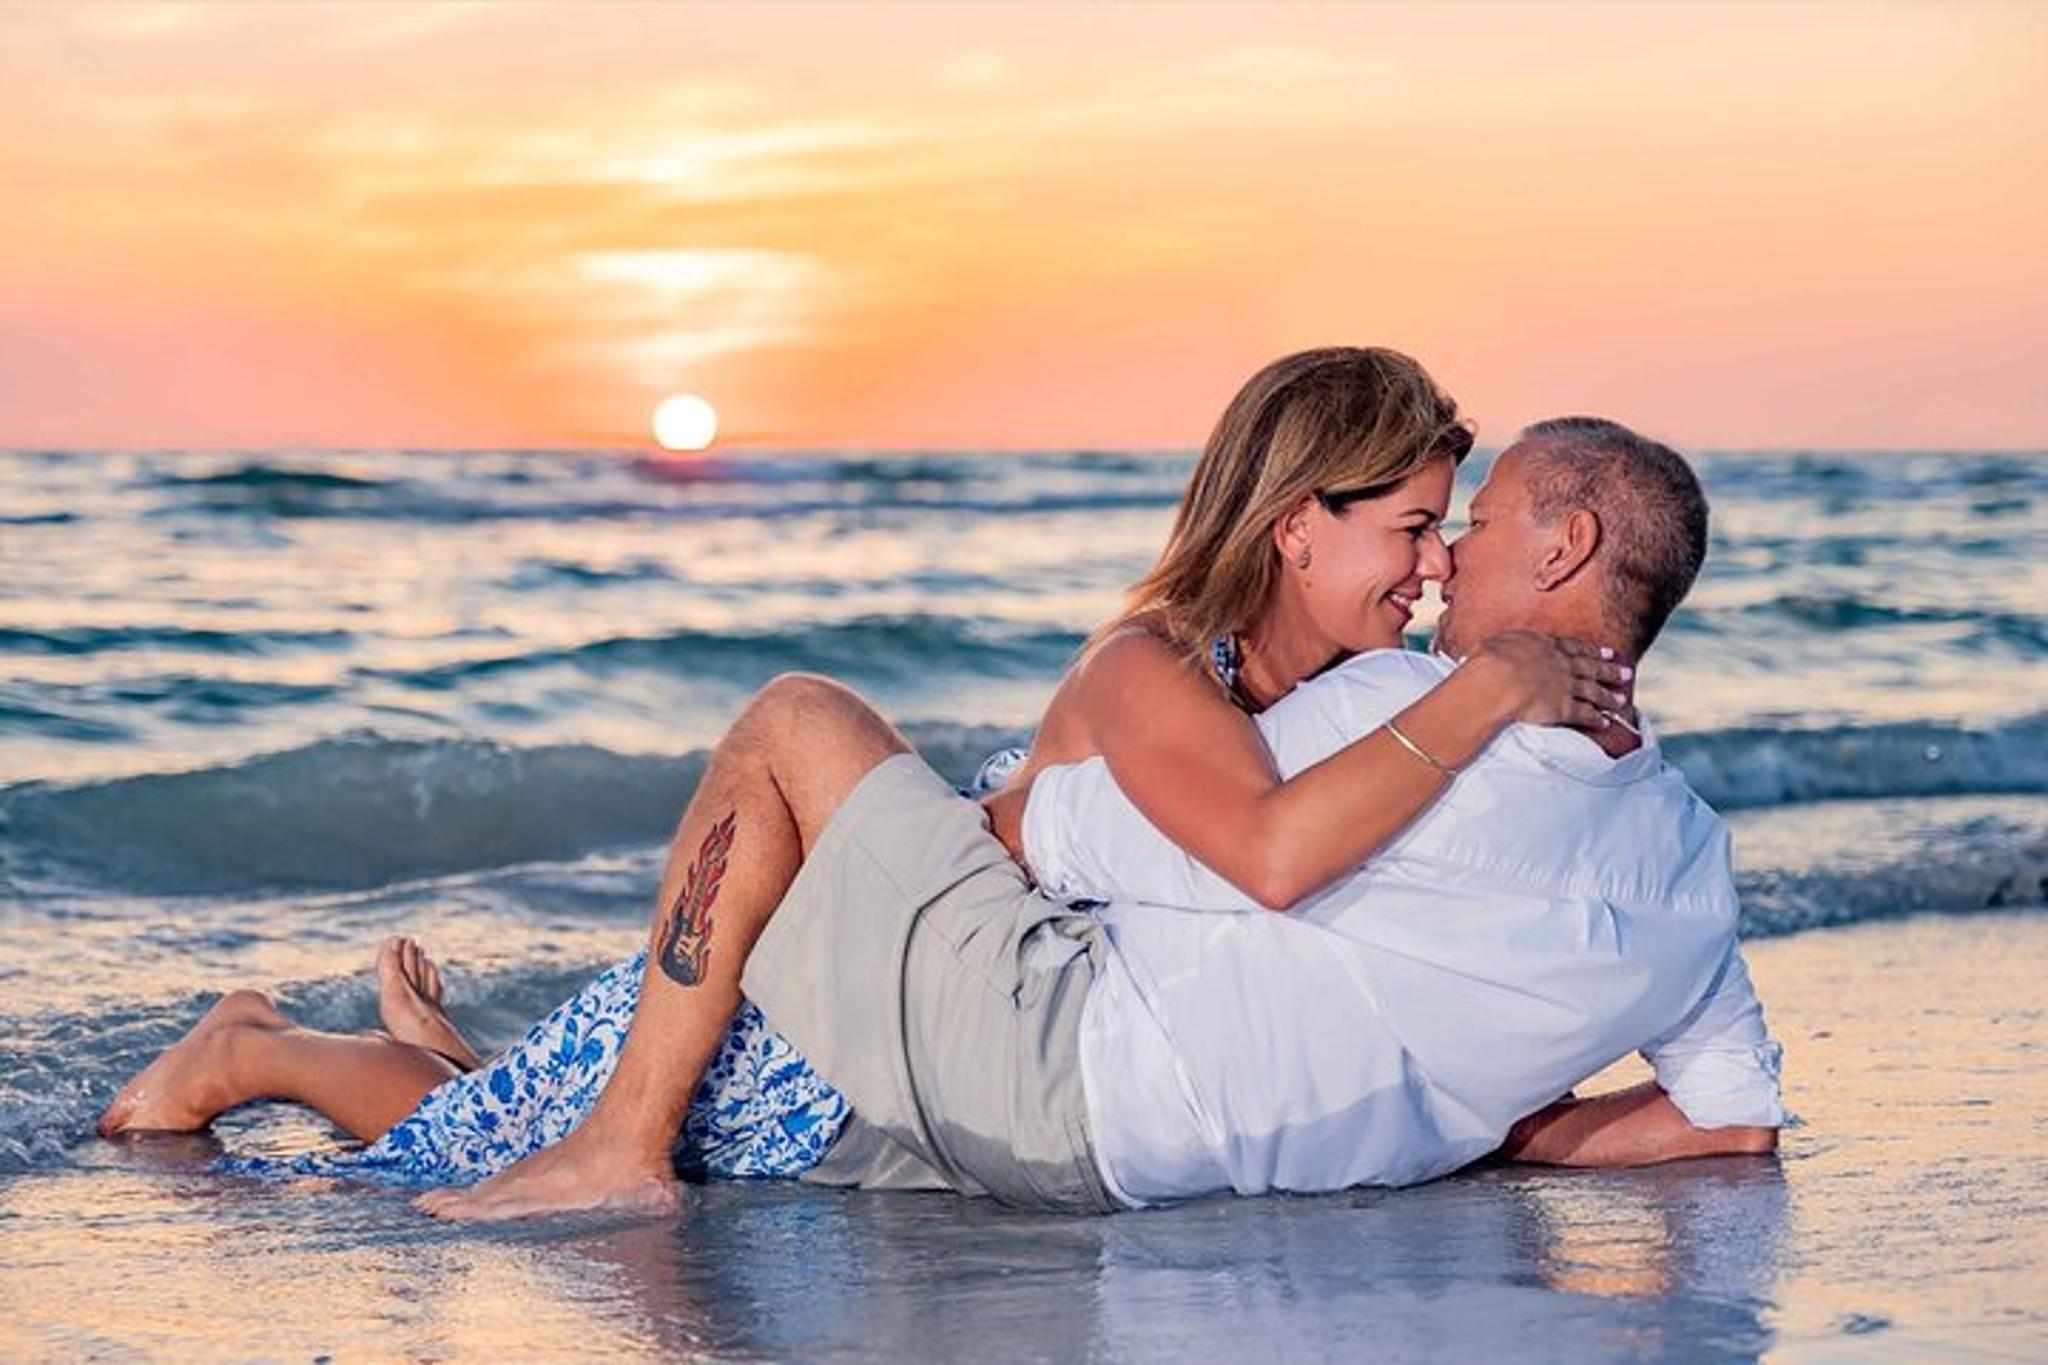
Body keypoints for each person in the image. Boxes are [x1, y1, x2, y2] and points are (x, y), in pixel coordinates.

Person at [97, 349, 1632, 1217]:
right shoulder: (1154, 668)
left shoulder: (1361, 692)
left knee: (532, 1098)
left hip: (940, 1011)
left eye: (1450, 531)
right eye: (1416, 527)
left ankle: (453, 1051)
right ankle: (250, 1051)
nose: (1437, 570)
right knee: (499, 1136)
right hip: (857, 970)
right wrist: (1501, 683)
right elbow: (1268, 853)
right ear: (1297, 525)